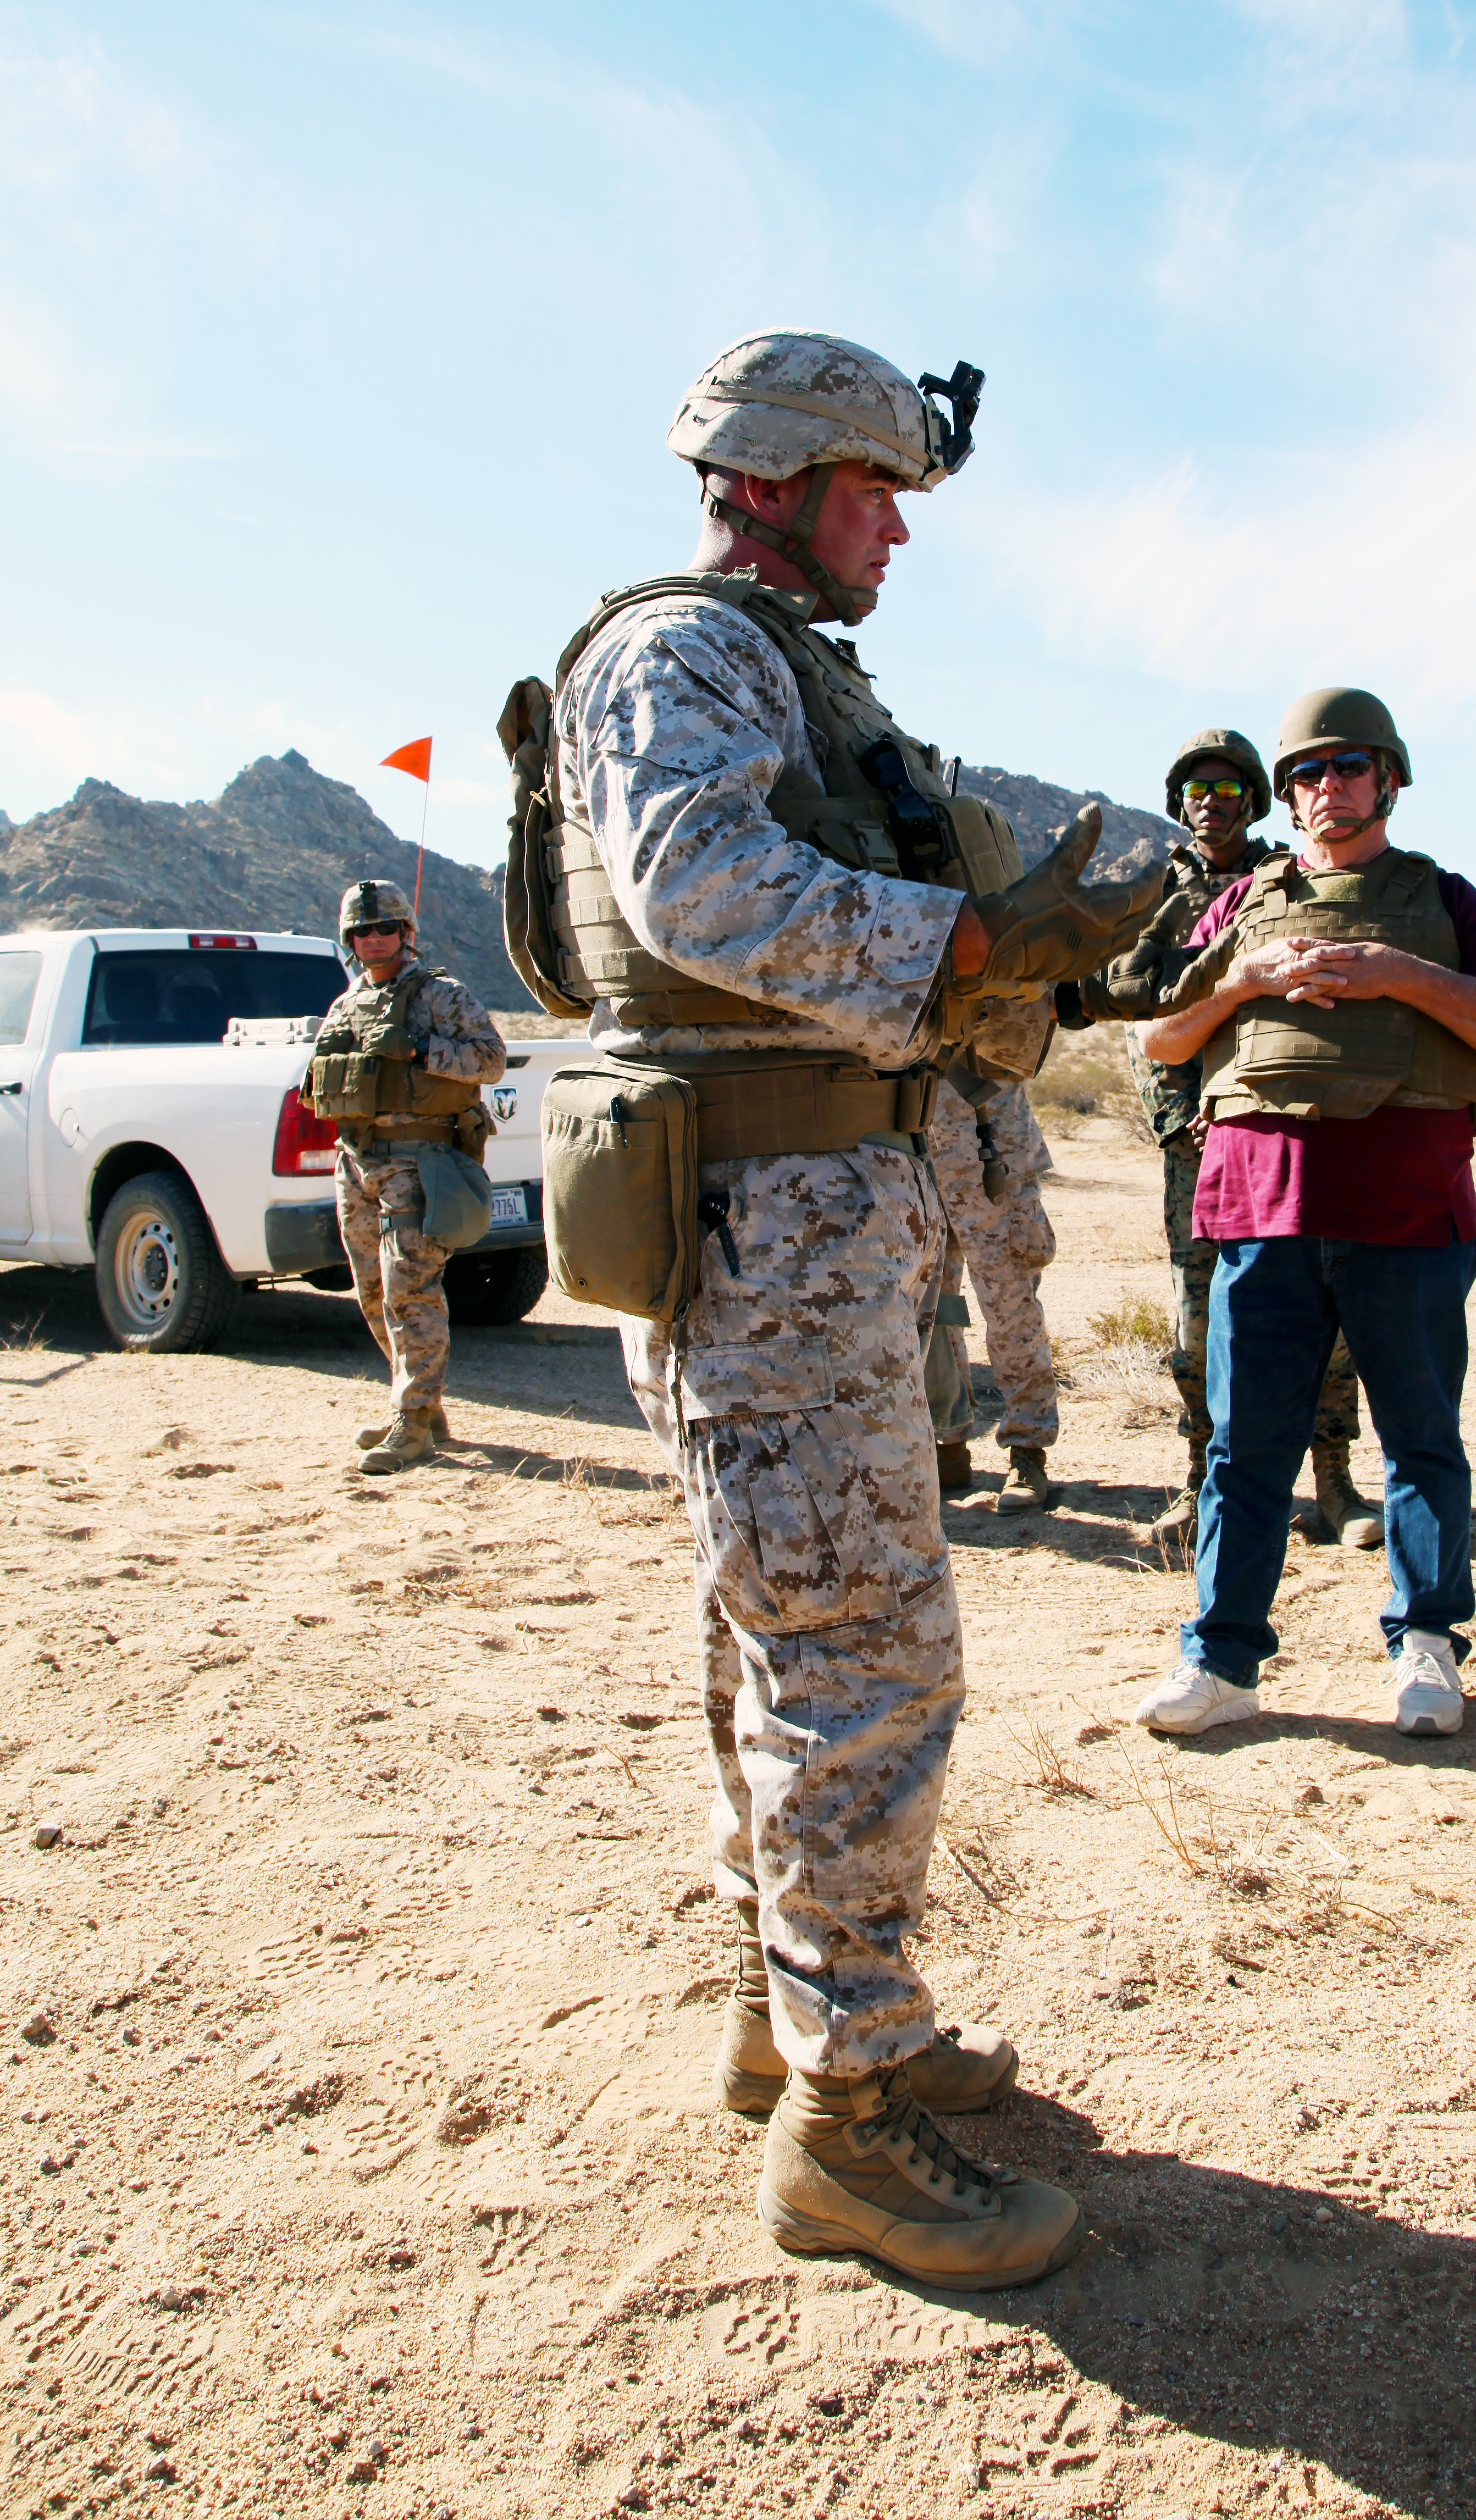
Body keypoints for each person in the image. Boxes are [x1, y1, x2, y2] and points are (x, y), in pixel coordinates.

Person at [521, 329, 1161, 2288]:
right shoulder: (684, 649)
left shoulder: (782, 664)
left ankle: (794, 2010)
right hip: (763, 1226)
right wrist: (968, 936)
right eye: (878, 488)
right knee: (862, 1653)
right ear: (786, 476)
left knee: (785, 1638)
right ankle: (850, 2117)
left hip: (805, 1213)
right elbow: (701, 887)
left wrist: (1016, 967)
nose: (897, 528)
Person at [1126, 689, 1476, 1741]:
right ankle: (1221, 1658)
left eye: (1347, 766)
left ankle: (1426, 1644)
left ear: (1387, 778)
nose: (1326, 787)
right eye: (1306, 772)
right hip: (1260, 1210)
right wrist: (1241, 978)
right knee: (1242, 1446)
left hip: (1403, 1210)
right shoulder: (1241, 904)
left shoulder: (1441, 901)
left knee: (1418, 1441)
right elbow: (1159, 1040)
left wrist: (1400, 974)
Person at [1071, 729, 1372, 1548]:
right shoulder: (1150, 893)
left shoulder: (1286, 880)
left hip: (1283, 1121)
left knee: (1324, 1306)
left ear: (1254, 802)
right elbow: (1114, 1001)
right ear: (1179, 805)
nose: (1213, 805)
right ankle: (1202, 1479)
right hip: (1193, 1140)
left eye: (1231, 792)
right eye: (1199, 793)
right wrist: (1180, 1114)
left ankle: (1335, 1483)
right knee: (1198, 1315)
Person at [306, 879, 507, 1474]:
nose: (373, 940)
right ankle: (421, 1406)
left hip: (417, 1164)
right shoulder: (346, 1004)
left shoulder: (441, 996)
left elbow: (491, 1058)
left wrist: (421, 1050)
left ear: (406, 934)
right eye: (362, 932)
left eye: (384, 929)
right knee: (372, 1294)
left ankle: (414, 1424)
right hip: (358, 1163)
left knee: (410, 1293)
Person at [922, 1072, 1063, 1514]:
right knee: (927, 1309)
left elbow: (1025, 1040)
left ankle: (1028, 1451)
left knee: (1010, 1310)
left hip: (990, 1150)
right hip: (911, 1149)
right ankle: (945, 1442)